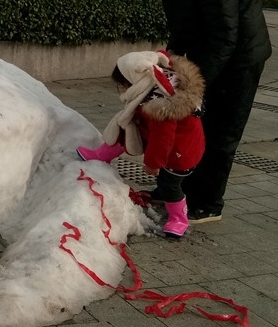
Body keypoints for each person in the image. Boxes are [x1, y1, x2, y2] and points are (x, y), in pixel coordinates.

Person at [119, 0, 272, 223]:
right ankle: (178, 190)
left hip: (239, 60)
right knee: (190, 128)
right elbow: (185, 27)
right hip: (209, 56)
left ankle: (208, 202)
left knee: (220, 133)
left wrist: (193, 88)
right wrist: (171, 65)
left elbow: (225, 36)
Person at [78, 50, 206, 238]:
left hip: (179, 153)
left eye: (123, 84)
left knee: (169, 185)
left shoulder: (161, 105)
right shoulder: (152, 86)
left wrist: (153, 163)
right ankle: (102, 154)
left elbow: (163, 139)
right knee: (128, 127)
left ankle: (179, 219)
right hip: (166, 142)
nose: (122, 89)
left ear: (133, 80)